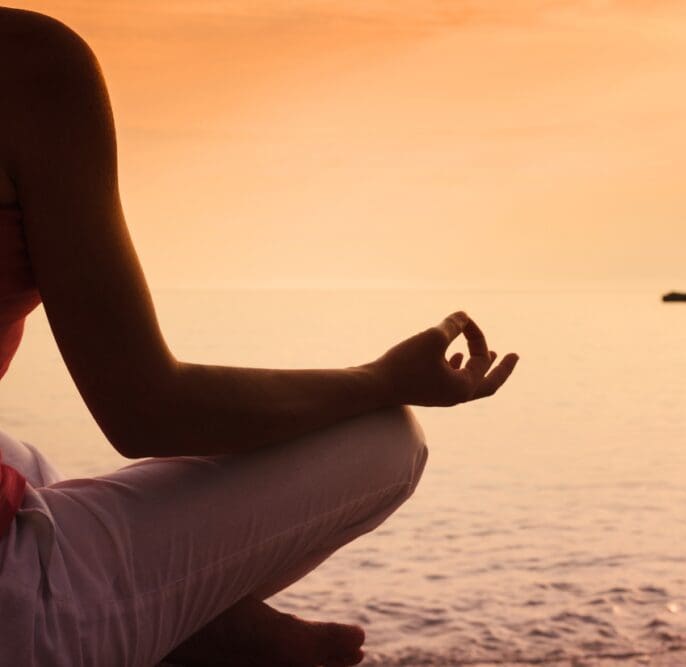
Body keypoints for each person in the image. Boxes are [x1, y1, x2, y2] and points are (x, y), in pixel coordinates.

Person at [0, 8, 519, 667]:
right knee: (389, 439)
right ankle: (196, 632)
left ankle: (194, 619)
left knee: (24, 455)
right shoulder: (28, 65)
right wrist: (383, 380)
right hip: (17, 618)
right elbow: (146, 408)